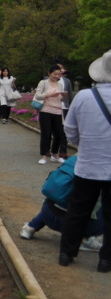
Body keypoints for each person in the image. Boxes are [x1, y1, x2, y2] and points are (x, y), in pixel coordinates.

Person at [58, 49, 111, 272]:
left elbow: (70, 129)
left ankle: (66, 253)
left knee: (78, 210)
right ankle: (106, 260)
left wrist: (84, 144)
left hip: (87, 165)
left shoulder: (84, 96)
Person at [35, 65, 68, 165]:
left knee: (59, 134)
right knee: (46, 134)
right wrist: (50, 94)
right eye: (55, 74)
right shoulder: (43, 83)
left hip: (57, 111)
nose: (57, 76)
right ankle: (44, 156)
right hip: (45, 110)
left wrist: (63, 96)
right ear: (49, 73)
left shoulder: (60, 84)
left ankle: (55, 154)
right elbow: (38, 95)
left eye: (58, 74)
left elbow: (60, 99)